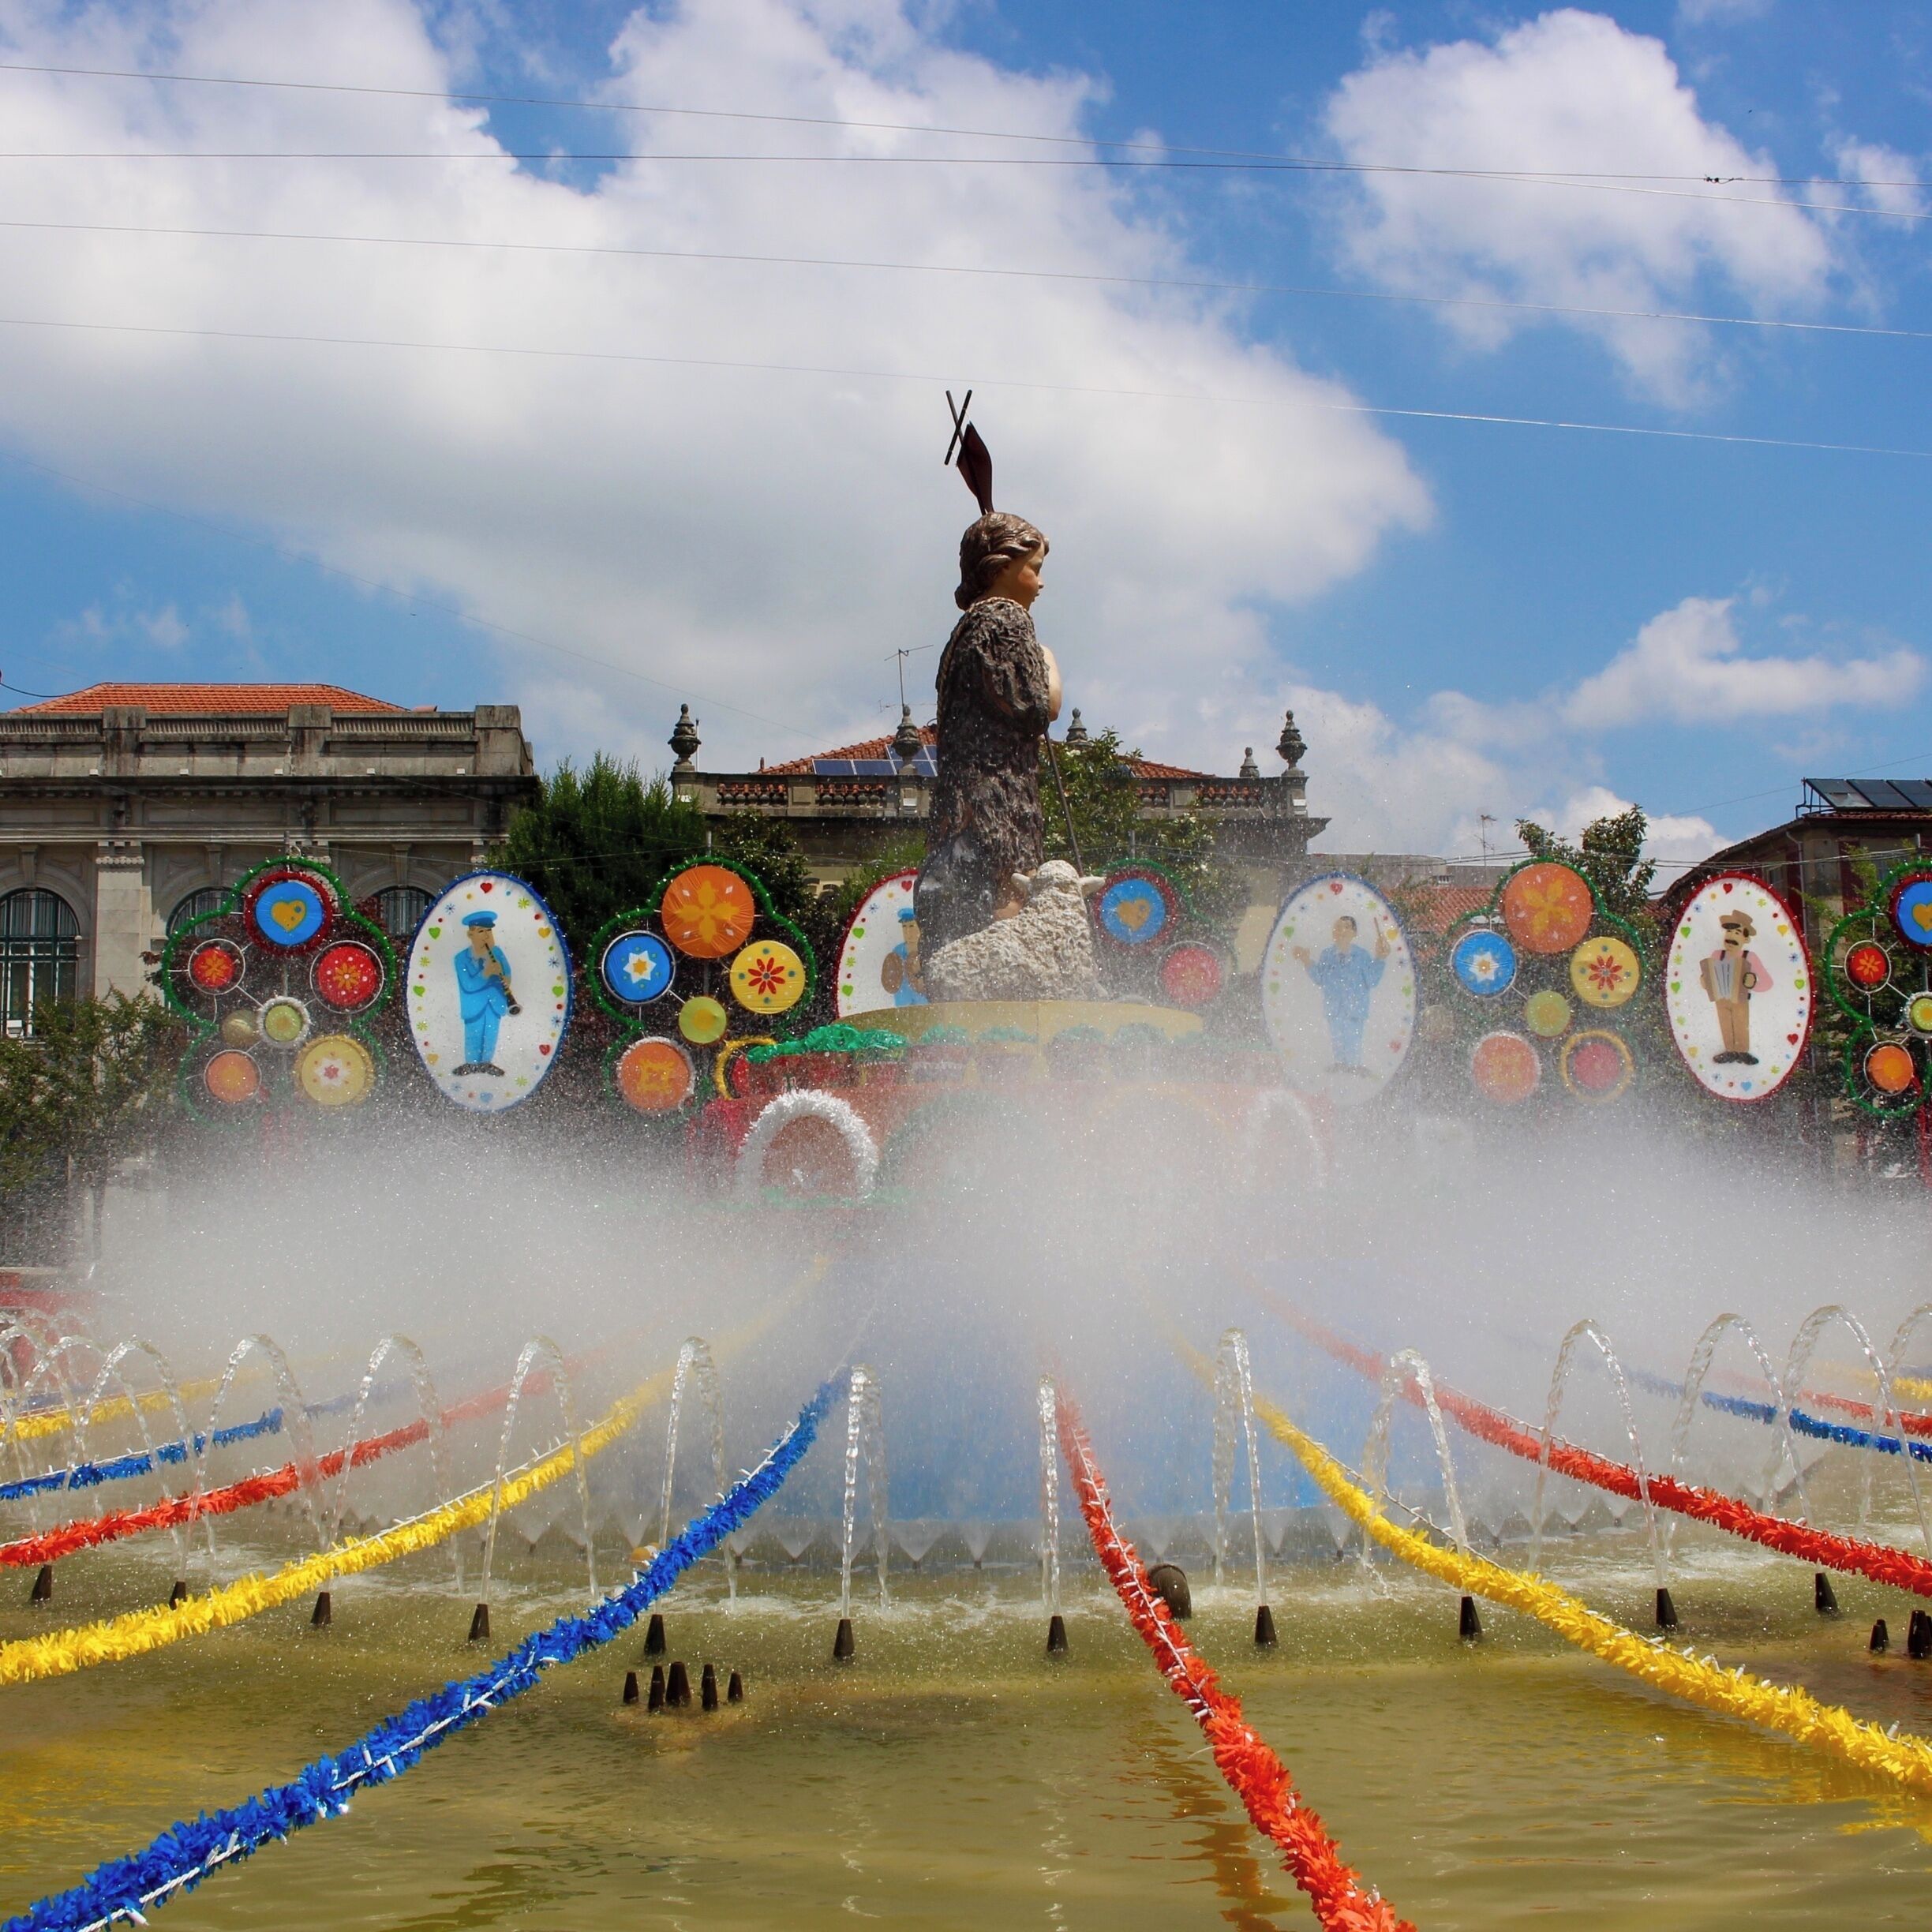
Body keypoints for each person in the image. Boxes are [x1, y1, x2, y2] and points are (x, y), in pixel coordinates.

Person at [913, 511, 1063, 956]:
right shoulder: (1007, 619)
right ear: (1002, 567)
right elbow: (1040, 707)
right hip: (999, 797)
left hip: (961, 799)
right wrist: (1048, 660)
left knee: (968, 917)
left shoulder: (961, 634)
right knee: (1010, 901)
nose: (1040, 583)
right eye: (1034, 569)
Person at [1292, 914, 1391, 1073]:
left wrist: (1380, 958)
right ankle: (1340, 1064)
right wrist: (1306, 960)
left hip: (1355, 1009)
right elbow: (1320, 978)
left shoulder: (1362, 956)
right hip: (1334, 1008)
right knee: (1337, 1039)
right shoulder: (1327, 955)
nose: (1341, 931)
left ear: (1354, 933)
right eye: (1337, 927)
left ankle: (1354, 1066)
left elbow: (1372, 980)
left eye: (1346, 927)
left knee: (1353, 1039)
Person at [454, 909, 520, 1076]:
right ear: (471, 934)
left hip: (495, 1002)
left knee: (490, 1033)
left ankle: (486, 1063)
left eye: (489, 931)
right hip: (474, 1005)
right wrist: (486, 973)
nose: (486, 936)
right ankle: (471, 1064)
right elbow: (468, 984)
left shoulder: (497, 952)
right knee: (474, 1033)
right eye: (481, 931)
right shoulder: (461, 958)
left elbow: (508, 973)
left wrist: (505, 979)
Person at [1700, 909, 1769, 1065]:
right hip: (1721, 998)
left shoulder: (1750, 957)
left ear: (1746, 939)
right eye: (1729, 932)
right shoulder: (1717, 955)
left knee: (1740, 1023)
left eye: (1737, 933)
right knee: (1725, 1022)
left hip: (1741, 998)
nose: (1731, 937)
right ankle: (1729, 1051)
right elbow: (1710, 975)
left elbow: (1767, 982)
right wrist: (1704, 981)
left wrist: (1753, 982)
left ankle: (1743, 1052)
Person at [878, 906, 929, 1007]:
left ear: (920, 927)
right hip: (903, 1005)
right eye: (904, 927)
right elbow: (891, 980)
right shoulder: (898, 951)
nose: (907, 932)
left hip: (925, 1006)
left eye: (911, 926)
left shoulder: (927, 949)